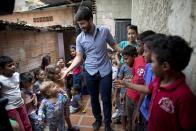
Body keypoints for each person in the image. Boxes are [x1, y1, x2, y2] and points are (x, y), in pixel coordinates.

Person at [114, 35, 196, 131]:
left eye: (152, 61)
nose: (148, 65)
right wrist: (126, 84)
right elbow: (147, 89)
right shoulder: (159, 80)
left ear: (165, 66)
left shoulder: (184, 97)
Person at [63, 6, 122, 131]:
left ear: (90, 19)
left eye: (83, 23)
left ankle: (107, 123)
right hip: (89, 72)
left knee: (106, 99)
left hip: (105, 71)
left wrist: (126, 53)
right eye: (79, 24)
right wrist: (68, 70)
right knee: (94, 98)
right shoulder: (80, 38)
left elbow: (113, 45)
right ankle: (98, 119)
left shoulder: (104, 31)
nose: (81, 27)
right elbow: (79, 57)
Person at [0, 56, 32, 131]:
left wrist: (23, 101)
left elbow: (20, 89)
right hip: (11, 107)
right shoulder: (1, 79)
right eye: (9, 66)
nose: (13, 67)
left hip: (21, 104)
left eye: (13, 64)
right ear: (2, 68)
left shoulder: (17, 75)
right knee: (20, 128)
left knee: (27, 125)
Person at [113, 45, 137, 130]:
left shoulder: (137, 67)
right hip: (123, 95)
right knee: (123, 113)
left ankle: (130, 127)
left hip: (133, 96)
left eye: (126, 59)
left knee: (132, 114)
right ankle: (123, 128)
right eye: (124, 59)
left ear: (134, 56)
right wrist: (115, 97)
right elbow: (118, 82)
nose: (125, 61)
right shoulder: (123, 67)